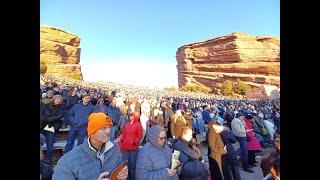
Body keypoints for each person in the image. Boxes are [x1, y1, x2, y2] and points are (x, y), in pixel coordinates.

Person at [53, 113, 128, 180]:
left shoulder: (114, 148)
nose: (108, 131)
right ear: (92, 132)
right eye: (103, 128)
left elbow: (117, 171)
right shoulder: (67, 161)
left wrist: (121, 176)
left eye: (109, 127)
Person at [40, 95, 65, 165]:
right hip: (42, 127)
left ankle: (49, 162)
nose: (59, 100)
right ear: (53, 99)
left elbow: (60, 117)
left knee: (50, 146)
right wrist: (52, 118)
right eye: (57, 99)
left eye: (60, 99)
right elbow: (41, 115)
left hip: (52, 128)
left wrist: (47, 119)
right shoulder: (45, 105)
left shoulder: (62, 108)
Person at [120, 111, 143, 180]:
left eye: (132, 116)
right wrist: (122, 139)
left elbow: (140, 135)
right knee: (125, 164)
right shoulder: (127, 124)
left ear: (135, 117)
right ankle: (125, 177)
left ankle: (132, 178)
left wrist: (135, 142)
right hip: (126, 146)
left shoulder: (138, 125)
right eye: (130, 116)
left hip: (133, 147)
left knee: (132, 164)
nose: (131, 117)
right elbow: (124, 132)